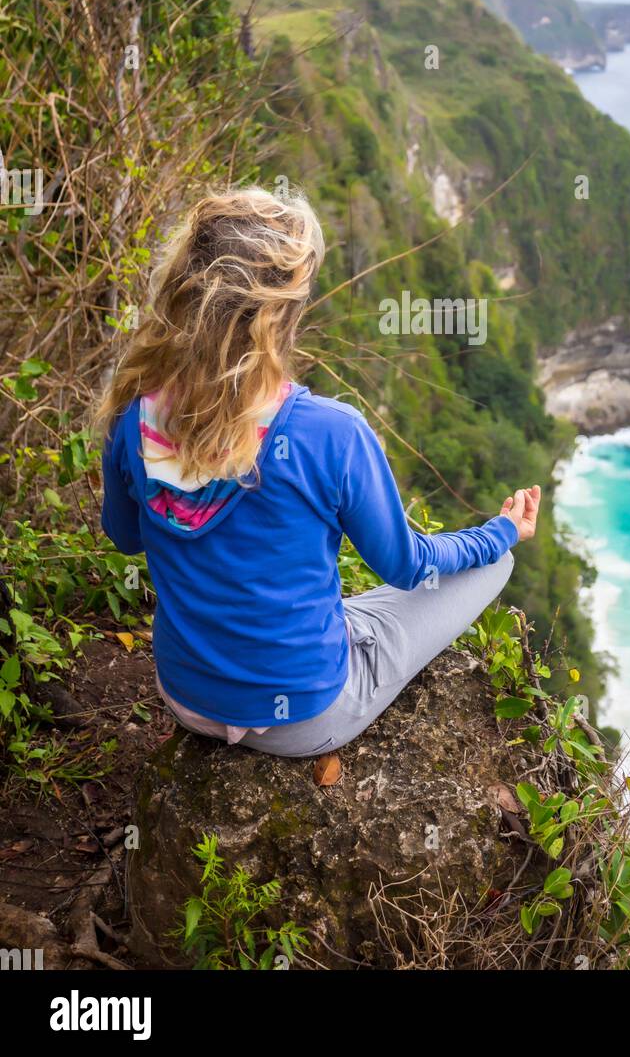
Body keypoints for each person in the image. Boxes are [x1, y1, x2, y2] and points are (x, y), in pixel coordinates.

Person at [97, 186, 541, 758]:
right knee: (491, 566)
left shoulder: (135, 417)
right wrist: (501, 531)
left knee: (350, 609)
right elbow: (409, 567)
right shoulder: (331, 432)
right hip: (303, 720)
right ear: (285, 313)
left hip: (186, 697)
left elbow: (126, 536)